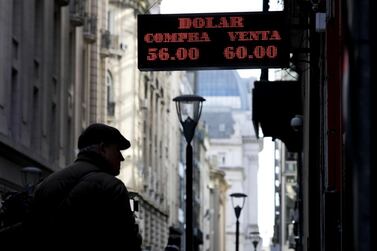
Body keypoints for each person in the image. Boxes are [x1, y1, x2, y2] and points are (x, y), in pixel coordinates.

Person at [26, 123, 142, 250]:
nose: (121, 158)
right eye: (117, 150)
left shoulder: (46, 184)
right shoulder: (112, 187)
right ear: (103, 149)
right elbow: (127, 241)